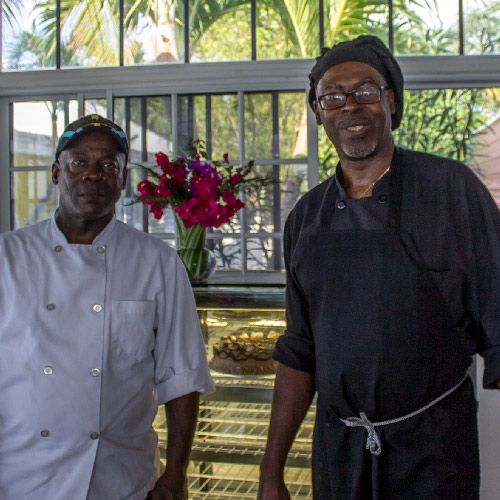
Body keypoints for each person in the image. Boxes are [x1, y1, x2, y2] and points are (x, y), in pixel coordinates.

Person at [258, 36, 500, 500]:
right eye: (333, 96)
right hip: (339, 453)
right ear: (318, 113)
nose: (351, 106)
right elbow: (298, 353)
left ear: (390, 101)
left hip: (435, 455)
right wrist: (272, 472)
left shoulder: (452, 192)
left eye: (366, 91)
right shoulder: (306, 219)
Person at [0, 114, 215, 500]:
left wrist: (175, 477)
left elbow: (181, 377)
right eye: (79, 162)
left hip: (120, 478)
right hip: (20, 476)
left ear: (123, 179)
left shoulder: (158, 262)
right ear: (56, 172)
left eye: (108, 165)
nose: (93, 174)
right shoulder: (7, 257)